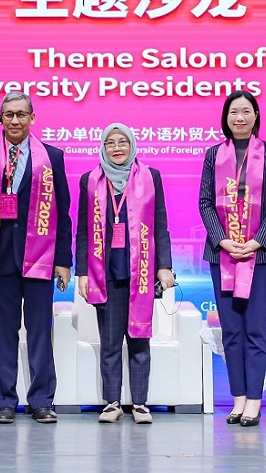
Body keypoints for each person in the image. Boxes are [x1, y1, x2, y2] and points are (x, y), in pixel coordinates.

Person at [0, 92, 72, 424]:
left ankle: (41, 400)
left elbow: (63, 211)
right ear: (0, 119)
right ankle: (5, 401)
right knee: (3, 332)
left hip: (41, 256)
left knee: (40, 331)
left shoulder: (52, 157)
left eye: (21, 114)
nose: (15, 120)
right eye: (8, 115)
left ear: (32, 118)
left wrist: (63, 259)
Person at [198, 90, 266, 427]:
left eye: (246, 111)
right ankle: (238, 398)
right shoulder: (213, 154)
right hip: (222, 253)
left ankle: (254, 400)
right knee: (231, 330)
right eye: (234, 112)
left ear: (256, 116)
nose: (240, 117)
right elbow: (205, 202)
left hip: (260, 255)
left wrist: (256, 241)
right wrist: (222, 240)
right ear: (226, 118)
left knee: (255, 329)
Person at [75, 123, 175, 424]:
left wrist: (164, 266)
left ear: (132, 145)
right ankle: (112, 402)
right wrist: (82, 272)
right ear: (102, 148)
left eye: (122, 142)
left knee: (139, 338)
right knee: (109, 342)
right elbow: (83, 230)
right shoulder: (90, 180)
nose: (117, 147)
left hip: (141, 272)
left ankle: (140, 403)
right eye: (110, 143)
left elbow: (160, 224)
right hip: (104, 273)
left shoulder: (151, 177)